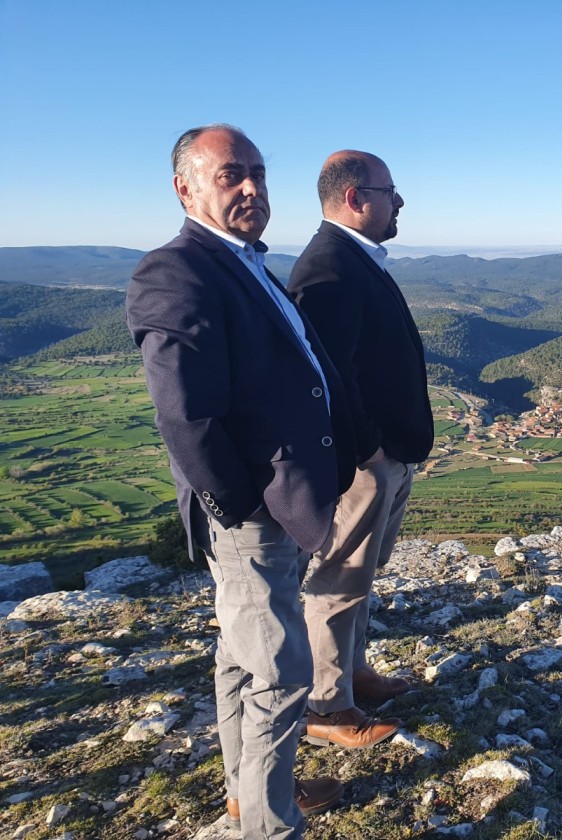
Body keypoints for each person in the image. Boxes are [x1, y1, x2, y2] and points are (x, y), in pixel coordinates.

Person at [126, 125, 396, 837]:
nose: (251, 187)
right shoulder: (175, 270)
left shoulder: (244, 264)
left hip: (276, 505)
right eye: (229, 175)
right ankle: (271, 827)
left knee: (242, 663)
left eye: (258, 172)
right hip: (252, 513)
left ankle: (252, 797)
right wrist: (241, 509)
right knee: (280, 674)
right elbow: (185, 415)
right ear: (185, 188)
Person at [287, 151, 434, 747]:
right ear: (355, 198)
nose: (399, 201)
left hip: (386, 458)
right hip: (363, 464)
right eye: (390, 190)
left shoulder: (354, 260)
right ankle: (327, 707)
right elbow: (327, 376)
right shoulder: (329, 269)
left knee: (364, 573)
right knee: (340, 579)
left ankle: (354, 673)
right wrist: (369, 453)